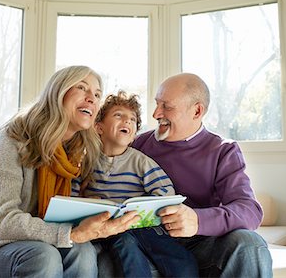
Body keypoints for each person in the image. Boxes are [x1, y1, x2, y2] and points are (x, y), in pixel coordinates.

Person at [0, 66, 140, 278]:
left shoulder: (80, 151)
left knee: (83, 252)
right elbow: (3, 222)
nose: (92, 98)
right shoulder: (13, 138)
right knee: (44, 255)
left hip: (40, 240)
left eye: (97, 94)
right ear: (58, 92)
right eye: (82, 88)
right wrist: (72, 233)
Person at [131, 73, 273, 277]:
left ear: (197, 111)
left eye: (167, 107)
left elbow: (249, 211)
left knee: (250, 245)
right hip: (148, 245)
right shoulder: (138, 145)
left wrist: (197, 220)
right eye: (157, 104)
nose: (155, 114)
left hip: (203, 243)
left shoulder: (223, 150)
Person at [75, 90, 198, 278]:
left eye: (132, 120)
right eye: (118, 116)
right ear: (99, 127)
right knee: (125, 245)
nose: (127, 121)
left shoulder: (141, 162)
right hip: (108, 227)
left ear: (133, 135)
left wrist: (141, 208)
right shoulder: (86, 160)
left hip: (143, 225)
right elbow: (72, 192)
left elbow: (165, 192)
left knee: (181, 261)